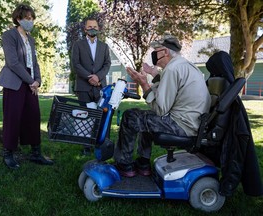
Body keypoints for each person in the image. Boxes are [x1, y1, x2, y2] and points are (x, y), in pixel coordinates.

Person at [113, 35, 211, 177]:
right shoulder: (184, 65)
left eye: (156, 50)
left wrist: (144, 84)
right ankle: (143, 163)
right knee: (145, 118)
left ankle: (124, 165)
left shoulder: (172, 69)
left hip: (182, 126)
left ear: (165, 52)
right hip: (192, 123)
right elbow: (171, 88)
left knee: (131, 116)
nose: (154, 54)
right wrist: (154, 73)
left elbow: (160, 110)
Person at [0, 4, 53, 169]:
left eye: (32, 18)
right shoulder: (9, 35)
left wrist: (38, 80)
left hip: (30, 81)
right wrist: (30, 81)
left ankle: (35, 153)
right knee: (12, 117)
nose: (30, 21)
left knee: (33, 115)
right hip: (14, 81)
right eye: (27, 18)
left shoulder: (31, 39)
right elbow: (12, 62)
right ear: (18, 18)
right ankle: (8, 154)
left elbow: (34, 62)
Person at [71, 18, 111, 155]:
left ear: (98, 28)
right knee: (84, 116)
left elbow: (107, 64)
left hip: (100, 86)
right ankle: (86, 147)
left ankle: (101, 143)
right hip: (83, 86)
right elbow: (75, 64)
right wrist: (89, 77)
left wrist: (97, 77)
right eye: (89, 26)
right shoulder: (78, 45)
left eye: (95, 26)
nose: (92, 28)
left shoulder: (104, 47)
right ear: (85, 29)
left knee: (102, 115)